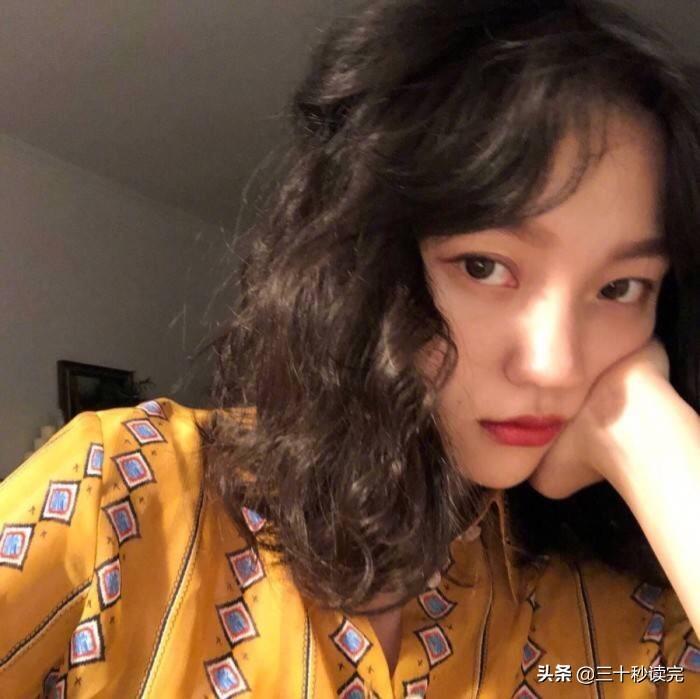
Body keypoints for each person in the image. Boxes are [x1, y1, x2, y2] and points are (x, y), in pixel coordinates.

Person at [1, 0, 699, 696]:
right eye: (484, 266)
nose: (556, 366)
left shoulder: (619, 629)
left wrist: (646, 431)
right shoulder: (121, 493)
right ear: (363, 264)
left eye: (621, 287)